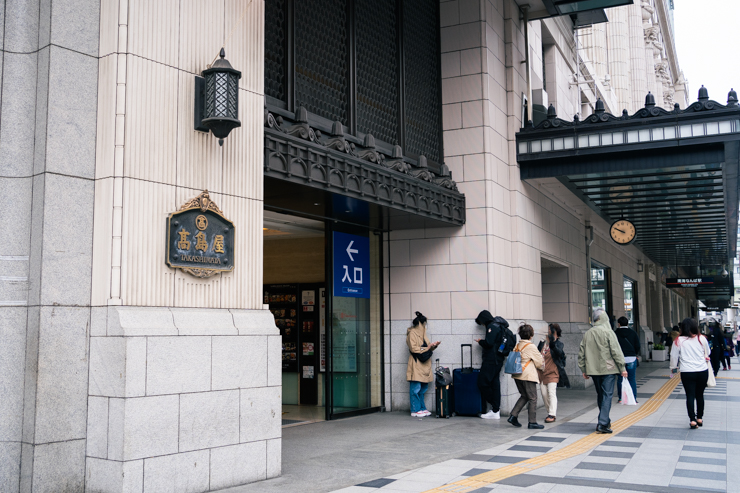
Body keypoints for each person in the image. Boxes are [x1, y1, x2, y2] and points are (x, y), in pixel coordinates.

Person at [578, 307, 628, 434]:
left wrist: (583, 369)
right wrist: (622, 367)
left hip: (593, 370)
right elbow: (616, 351)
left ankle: (604, 420)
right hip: (609, 369)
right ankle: (603, 423)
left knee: (601, 395)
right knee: (607, 395)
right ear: (603, 318)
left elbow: (581, 352)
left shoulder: (588, 333)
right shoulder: (608, 332)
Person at [670, 318, 710, 429]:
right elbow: (708, 352)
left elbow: (674, 357)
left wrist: (673, 369)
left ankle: (692, 420)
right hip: (702, 370)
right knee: (700, 395)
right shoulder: (701, 338)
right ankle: (700, 418)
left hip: (687, 371)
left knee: (690, 395)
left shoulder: (678, 340)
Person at [507, 324, 545, 429]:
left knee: (524, 395)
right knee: (533, 398)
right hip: (527, 375)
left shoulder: (518, 345)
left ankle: (513, 416)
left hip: (517, 375)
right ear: (531, 335)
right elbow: (539, 362)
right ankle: (532, 422)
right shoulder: (531, 346)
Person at [474, 310, 510, 420]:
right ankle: (495, 410)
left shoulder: (492, 326)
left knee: (482, 382)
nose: (483, 325)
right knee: (495, 384)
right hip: (498, 359)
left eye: (482, 322)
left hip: (491, 360)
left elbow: (489, 343)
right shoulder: (499, 325)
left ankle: (494, 406)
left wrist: (480, 342)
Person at [406, 311, 440, 417]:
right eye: (424, 324)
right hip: (417, 363)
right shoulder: (412, 333)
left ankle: (421, 408)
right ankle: (415, 409)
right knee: (415, 388)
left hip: (425, 363)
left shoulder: (423, 335)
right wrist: (428, 347)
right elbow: (414, 348)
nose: (425, 326)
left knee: (423, 387)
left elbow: (427, 347)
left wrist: (433, 345)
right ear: (421, 323)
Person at [537, 323, 570, 423]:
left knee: (551, 393)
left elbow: (559, 354)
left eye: (551, 332)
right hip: (542, 372)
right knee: (544, 394)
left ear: (556, 334)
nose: (549, 334)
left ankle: (552, 414)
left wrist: (553, 344)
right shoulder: (542, 343)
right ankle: (550, 411)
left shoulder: (558, 344)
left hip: (553, 372)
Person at [615, 316, 641, 404]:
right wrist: (634, 353)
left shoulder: (615, 333)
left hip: (620, 359)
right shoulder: (633, 333)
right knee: (631, 379)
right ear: (627, 323)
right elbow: (637, 345)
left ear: (618, 324)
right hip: (631, 358)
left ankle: (621, 398)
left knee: (620, 379)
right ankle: (633, 398)